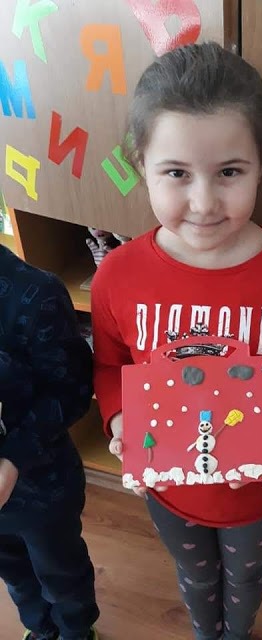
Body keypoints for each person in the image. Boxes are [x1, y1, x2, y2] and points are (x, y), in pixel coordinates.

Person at [91, 41, 262, 640]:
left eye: (229, 172)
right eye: (176, 173)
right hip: (168, 487)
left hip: (256, 490)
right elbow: (110, 363)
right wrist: (119, 417)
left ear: (260, 164)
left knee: (246, 576)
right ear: (141, 164)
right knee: (194, 576)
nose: (203, 204)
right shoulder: (118, 274)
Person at [0, 244, 99, 640]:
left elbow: (71, 390)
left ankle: (76, 632)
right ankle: (41, 630)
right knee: (15, 574)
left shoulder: (34, 292)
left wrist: (14, 458)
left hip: (43, 485)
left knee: (61, 573)